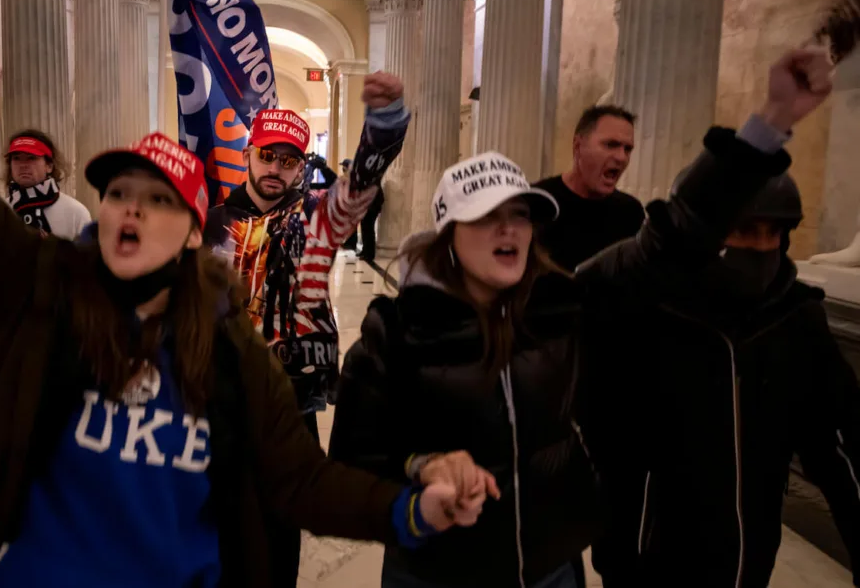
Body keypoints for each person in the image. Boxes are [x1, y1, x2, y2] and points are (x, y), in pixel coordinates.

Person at [0, 0, 498, 587]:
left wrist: (410, 511)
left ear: (189, 235)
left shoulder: (230, 345)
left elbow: (302, 481)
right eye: (119, 192)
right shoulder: (43, 293)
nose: (131, 207)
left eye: (158, 199)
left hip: (286, 394)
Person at [329, 46, 836, 588]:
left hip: (552, 568)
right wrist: (422, 466)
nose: (510, 228)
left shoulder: (561, 307)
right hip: (437, 573)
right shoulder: (394, 333)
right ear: (448, 236)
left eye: (521, 214)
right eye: (487, 216)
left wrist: (771, 122)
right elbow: (351, 462)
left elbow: (675, 235)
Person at [581, 139, 860, 581]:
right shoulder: (646, 309)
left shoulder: (796, 319)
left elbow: (836, 443)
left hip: (749, 560)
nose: (761, 247)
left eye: (773, 233)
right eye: (744, 230)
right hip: (646, 560)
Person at [204, 83, 408, 442]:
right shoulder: (210, 224)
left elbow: (359, 185)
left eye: (288, 161)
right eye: (267, 155)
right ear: (246, 155)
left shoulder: (315, 216)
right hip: (221, 389)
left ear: (300, 170)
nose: (275, 168)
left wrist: (384, 125)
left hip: (294, 391)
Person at [0, 129, 91, 363]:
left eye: (32, 158)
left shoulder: (75, 214)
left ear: (49, 165)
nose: (23, 165)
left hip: (61, 331)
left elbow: (89, 278)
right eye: (16, 158)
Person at [534, 105, 645, 272]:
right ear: (578, 146)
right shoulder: (537, 201)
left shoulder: (631, 212)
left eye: (627, 149)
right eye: (611, 145)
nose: (622, 157)